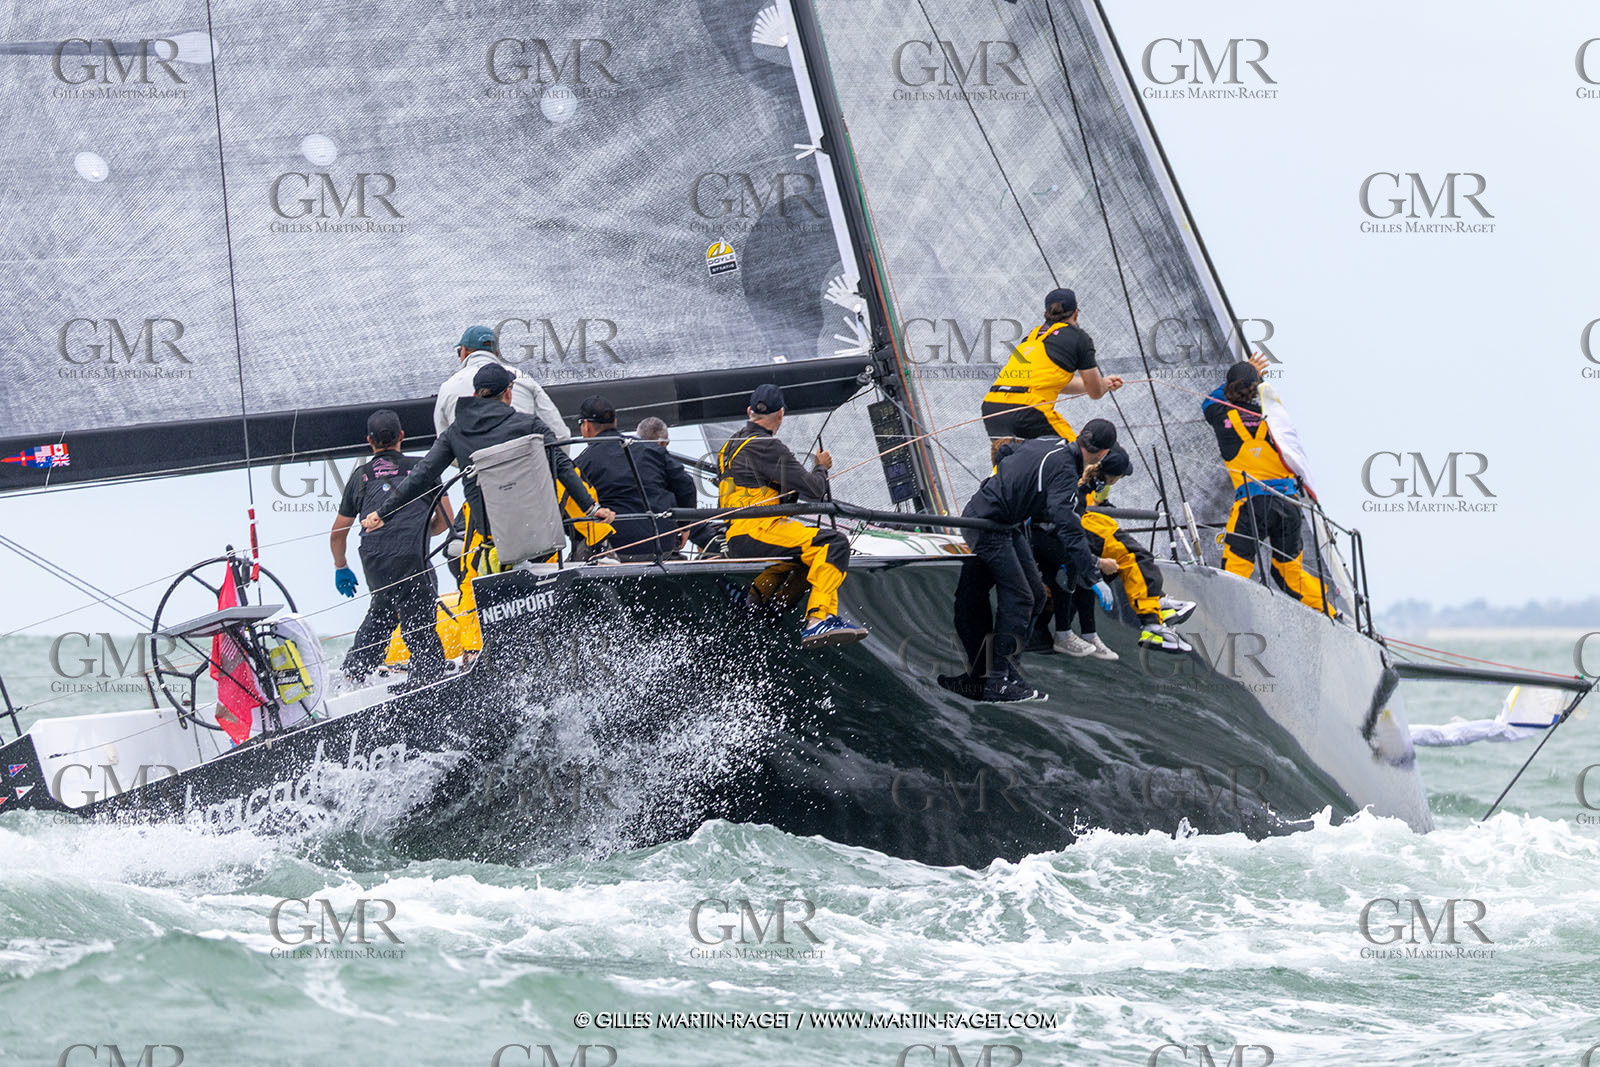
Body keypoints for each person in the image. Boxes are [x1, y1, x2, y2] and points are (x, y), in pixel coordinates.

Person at [947, 416, 1121, 703]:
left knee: (1037, 594)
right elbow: (1068, 526)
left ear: (1080, 435)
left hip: (1003, 521)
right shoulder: (1065, 471)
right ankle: (995, 681)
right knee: (1021, 597)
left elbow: (1007, 452)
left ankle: (1002, 673)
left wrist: (1008, 485)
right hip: (987, 523)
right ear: (1103, 454)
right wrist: (1092, 576)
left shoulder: (1049, 442)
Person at [362, 364, 616, 556]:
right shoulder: (530, 425)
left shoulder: (455, 432)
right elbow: (563, 467)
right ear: (508, 393)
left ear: (475, 394)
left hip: (491, 538)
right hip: (538, 534)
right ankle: (602, 549)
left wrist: (384, 513)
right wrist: (592, 509)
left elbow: (422, 475)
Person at [434, 324, 614, 556]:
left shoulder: (448, 388)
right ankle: (600, 547)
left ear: (464, 352)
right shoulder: (524, 380)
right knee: (562, 478)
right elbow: (560, 437)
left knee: (465, 548)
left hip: (484, 497)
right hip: (533, 496)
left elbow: (445, 447)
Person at [718, 384, 867, 648]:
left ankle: (756, 601)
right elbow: (814, 490)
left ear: (749, 410)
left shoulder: (729, 446)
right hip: (758, 529)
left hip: (736, 534)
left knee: (803, 558)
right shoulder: (768, 446)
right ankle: (819, 619)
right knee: (834, 544)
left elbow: (751, 486)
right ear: (781, 414)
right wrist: (821, 467)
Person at [1033, 443, 1198, 657]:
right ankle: (1151, 625)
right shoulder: (1078, 474)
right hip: (1068, 523)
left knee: (1131, 551)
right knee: (1131, 555)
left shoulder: (1082, 466)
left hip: (1075, 518)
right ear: (1110, 475)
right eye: (1119, 477)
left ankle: (1157, 600)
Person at [331, 410, 453, 684]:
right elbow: (446, 521)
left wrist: (341, 567)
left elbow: (338, 534)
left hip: (375, 563)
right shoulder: (422, 468)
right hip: (413, 560)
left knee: (381, 614)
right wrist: (421, 535)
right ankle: (428, 682)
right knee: (419, 626)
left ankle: (352, 678)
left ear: (369, 441)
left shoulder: (360, 476)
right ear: (401, 436)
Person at [1201, 355, 1330, 612]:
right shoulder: (1276, 417)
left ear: (1229, 388)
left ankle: (1232, 617)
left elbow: (1208, 401)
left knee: (1236, 569)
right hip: (1288, 505)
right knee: (1289, 575)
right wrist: (1254, 375)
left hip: (1253, 505)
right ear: (1256, 387)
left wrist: (1247, 371)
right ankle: (1331, 612)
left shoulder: (1219, 413)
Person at [981, 287, 1124, 459]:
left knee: (1010, 472)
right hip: (1027, 410)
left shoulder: (1031, 337)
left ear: (1046, 313)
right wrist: (1101, 386)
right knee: (1079, 458)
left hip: (992, 408)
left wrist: (1102, 383)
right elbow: (1095, 392)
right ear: (1076, 313)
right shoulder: (1079, 338)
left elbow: (1057, 382)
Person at [573, 395, 698, 561]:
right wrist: (684, 525)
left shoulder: (582, 463)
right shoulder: (651, 449)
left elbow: (571, 509)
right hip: (664, 545)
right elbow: (686, 484)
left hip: (617, 550)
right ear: (615, 421)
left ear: (586, 426)